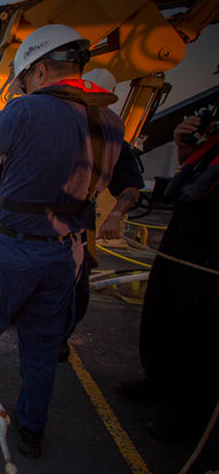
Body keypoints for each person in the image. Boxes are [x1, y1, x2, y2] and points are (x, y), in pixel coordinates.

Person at [0, 24, 125, 458]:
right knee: (42, 347)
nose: (25, 87)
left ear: (40, 70)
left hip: (12, 248)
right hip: (67, 252)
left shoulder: (25, 112)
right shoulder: (112, 122)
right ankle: (31, 432)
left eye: (25, 79)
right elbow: (103, 184)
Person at [120, 109, 219, 444]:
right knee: (163, 308)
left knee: (202, 330)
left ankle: (189, 416)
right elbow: (191, 173)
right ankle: (159, 380)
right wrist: (182, 144)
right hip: (186, 234)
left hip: (210, 252)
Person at [58, 69, 145, 363]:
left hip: (80, 217)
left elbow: (130, 183)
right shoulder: (60, 127)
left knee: (76, 282)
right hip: (47, 215)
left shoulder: (112, 139)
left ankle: (60, 338)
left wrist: (115, 215)